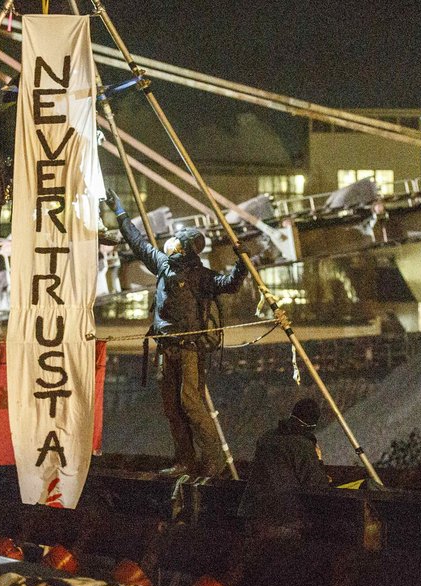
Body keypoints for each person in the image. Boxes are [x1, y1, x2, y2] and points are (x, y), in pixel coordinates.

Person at [107, 191, 248, 478]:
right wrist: (121, 214)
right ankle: (185, 461)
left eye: (177, 239)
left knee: (191, 404)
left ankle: (213, 459)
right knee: (172, 408)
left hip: (189, 351)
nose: (170, 242)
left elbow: (230, 284)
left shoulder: (201, 276)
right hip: (166, 349)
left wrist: (242, 262)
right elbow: (138, 243)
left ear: (185, 248)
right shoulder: (162, 264)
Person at [239, 397, 331, 537]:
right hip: (283, 519)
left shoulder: (267, 437)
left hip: (252, 515)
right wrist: (318, 460)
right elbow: (318, 486)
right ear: (312, 425)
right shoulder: (302, 445)